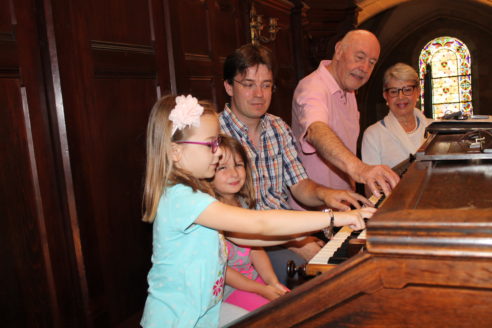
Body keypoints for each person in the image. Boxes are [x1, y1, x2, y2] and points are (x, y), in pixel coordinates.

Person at [140, 94, 375, 327]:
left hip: (201, 316)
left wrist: (301, 238)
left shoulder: (198, 196)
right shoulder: (181, 198)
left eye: (218, 144)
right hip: (173, 320)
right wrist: (336, 218)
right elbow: (260, 223)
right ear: (175, 152)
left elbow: (249, 237)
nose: (218, 152)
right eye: (211, 144)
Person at [220, 43, 371, 285]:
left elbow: (300, 186)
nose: (259, 94)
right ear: (229, 86)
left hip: (285, 229)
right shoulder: (215, 136)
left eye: (266, 85)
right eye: (248, 85)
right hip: (244, 245)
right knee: (317, 279)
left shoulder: (278, 127)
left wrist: (327, 195)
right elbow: (235, 220)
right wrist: (296, 242)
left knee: (349, 263)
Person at [291, 29, 400, 201]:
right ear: (339, 50)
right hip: (314, 213)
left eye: (372, 62)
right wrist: (361, 169)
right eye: (359, 57)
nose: (364, 68)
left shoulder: (349, 88)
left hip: (344, 206)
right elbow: (316, 130)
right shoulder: (313, 86)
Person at [212, 135, 289, 316]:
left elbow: (256, 249)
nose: (234, 173)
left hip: (254, 281)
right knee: (273, 316)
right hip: (228, 291)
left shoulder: (243, 204)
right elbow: (223, 270)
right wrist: (261, 290)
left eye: (238, 165)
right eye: (222, 167)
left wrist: (272, 283)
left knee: (291, 303)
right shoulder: (210, 215)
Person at [361, 62, 430, 168]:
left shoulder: (435, 129)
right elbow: (372, 183)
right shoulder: (373, 135)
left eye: (407, 90)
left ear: (418, 92)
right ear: (385, 96)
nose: (401, 97)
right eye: (394, 91)